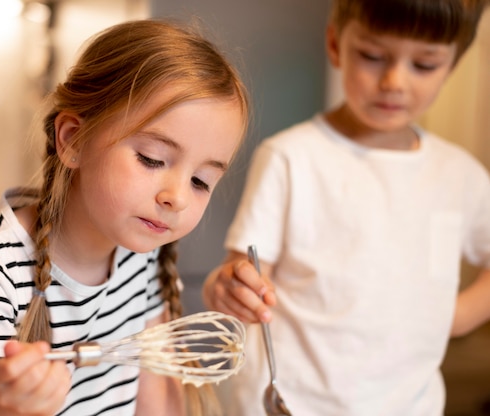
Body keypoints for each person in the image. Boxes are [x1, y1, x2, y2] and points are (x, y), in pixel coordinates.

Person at [0, 18, 249, 416]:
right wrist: (17, 409)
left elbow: (157, 407)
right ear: (73, 140)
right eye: (152, 159)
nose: (177, 197)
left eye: (202, 181)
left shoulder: (141, 251)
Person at [202, 0, 490, 415]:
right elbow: (240, 278)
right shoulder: (289, 157)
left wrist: (456, 316)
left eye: (424, 65)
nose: (394, 81)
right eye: (373, 56)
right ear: (336, 44)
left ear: (453, 64)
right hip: (289, 404)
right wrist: (226, 289)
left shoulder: (461, 175)